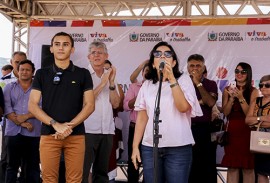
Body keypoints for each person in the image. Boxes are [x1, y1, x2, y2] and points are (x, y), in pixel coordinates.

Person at [28, 32, 95, 183]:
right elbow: (32, 105)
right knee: (49, 179)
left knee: (74, 180)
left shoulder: (83, 74)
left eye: (65, 44)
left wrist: (68, 127)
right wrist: (56, 125)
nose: (61, 48)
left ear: (72, 49)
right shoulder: (41, 74)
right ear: (51, 48)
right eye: (57, 44)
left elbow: (90, 105)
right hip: (49, 134)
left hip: (76, 135)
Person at [131, 41, 202, 183]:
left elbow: (183, 107)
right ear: (152, 63)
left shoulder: (184, 80)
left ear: (174, 62)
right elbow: (142, 117)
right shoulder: (147, 85)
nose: (162, 56)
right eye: (157, 54)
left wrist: (171, 79)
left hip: (178, 147)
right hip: (150, 147)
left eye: (167, 54)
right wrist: (135, 147)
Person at [82, 41, 120, 183]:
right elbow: (85, 102)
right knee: (82, 172)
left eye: (100, 52)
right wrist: (102, 82)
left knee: (102, 173)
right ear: (88, 57)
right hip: (87, 130)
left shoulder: (110, 76)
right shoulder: (83, 75)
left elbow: (116, 103)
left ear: (106, 56)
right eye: (93, 52)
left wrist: (110, 83)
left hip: (107, 131)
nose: (97, 55)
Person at [3, 60, 41, 183]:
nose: (24, 72)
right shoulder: (9, 87)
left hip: (33, 132)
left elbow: (41, 107)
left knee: (33, 166)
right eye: (22, 69)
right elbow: (7, 108)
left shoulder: (39, 88)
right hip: (13, 132)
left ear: (32, 72)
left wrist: (25, 117)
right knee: (11, 166)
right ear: (18, 71)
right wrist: (22, 123)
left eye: (27, 70)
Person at [221, 62, 258, 183]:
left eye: (243, 72)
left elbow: (250, 114)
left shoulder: (253, 91)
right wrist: (232, 98)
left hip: (247, 132)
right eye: (237, 71)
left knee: (248, 168)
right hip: (232, 131)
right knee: (232, 167)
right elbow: (225, 113)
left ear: (248, 74)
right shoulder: (227, 89)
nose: (239, 74)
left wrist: (241, 97)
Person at [187, 54, 218, 183]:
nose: (195, 68)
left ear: (203, 67)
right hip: (186, 129)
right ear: (188, 68)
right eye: (192, 66)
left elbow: (210, 102)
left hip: (205, 130)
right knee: (189, 164)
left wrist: (198, 83)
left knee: (207, 164)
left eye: (198, 66)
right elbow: (182, 104)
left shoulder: (211, 84)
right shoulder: (181, 83)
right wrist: (199, 102)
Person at [0, 51, 27, 182]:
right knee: (6, 157)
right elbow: (3, 105)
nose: (19, 65)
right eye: (17, 62)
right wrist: (17, 120)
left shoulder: (34, 81)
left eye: (22, 62)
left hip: (29, 121)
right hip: (9, 123)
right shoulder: (3, 81)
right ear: (11, 63)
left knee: (26, 158)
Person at [124, 62, 148, 183]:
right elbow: (126, 106)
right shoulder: (134, 87)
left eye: (150, 70)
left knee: (150, 162)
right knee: (133, 161)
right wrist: (140, 95)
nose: (147, 73)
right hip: (135, 128)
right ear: (142, 73)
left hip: (151, 130)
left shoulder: (158, 87)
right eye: (146, 70)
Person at [246, 74, 270, 183]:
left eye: (267, 85)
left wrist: (256, 121)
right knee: (261, 172)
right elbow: (247, 120)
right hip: (261, 141)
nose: (263, 87)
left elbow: (253, 121)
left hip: (262, 137)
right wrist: (262, 118)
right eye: (261, 85)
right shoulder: (256, 101)